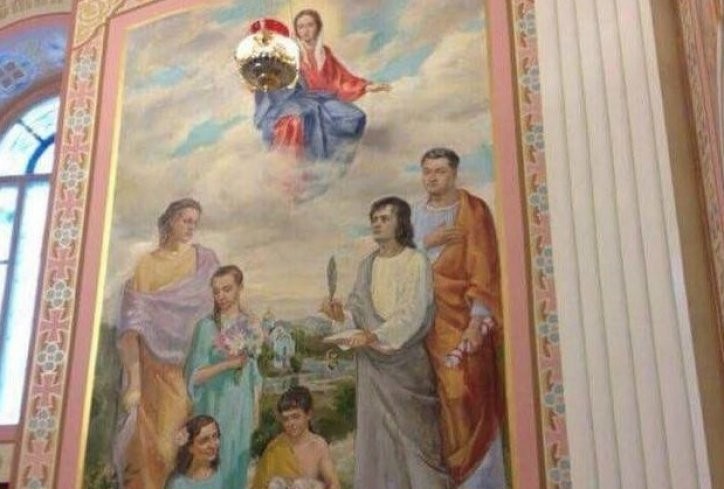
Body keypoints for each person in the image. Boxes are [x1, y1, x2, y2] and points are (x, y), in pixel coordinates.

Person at [321, 196, 450, 489]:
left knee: (417, 447)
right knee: (377, 444)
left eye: (384, 219)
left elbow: (413, 313)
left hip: (407, 370)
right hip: (371, 371)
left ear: (400, 223)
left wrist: (374, 335)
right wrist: (339, 315)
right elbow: (357, 315)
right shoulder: (367, 265)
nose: (377, 224)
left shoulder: (415, 261)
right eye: (374, 219)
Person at [411, 148, 506, 487]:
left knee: (466, 393)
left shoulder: (473, 211)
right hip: (424, 321)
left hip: (463, 321)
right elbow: (400, 263)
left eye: (439, 171)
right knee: (433, 399)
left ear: (454, 174)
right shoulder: (415, 215)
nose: (432, 178)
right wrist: (426, 242)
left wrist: (477, 321)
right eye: (427, 171)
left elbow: (485, 267)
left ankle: (477, 479)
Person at [114, 198, 220, 489]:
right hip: (153, 372)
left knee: (179, 446)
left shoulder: (205, 261)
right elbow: (131, 330)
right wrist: (134, 383)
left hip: (188, 370)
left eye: (195, 222)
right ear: (170, 220)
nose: (191, 227)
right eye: (186, 220)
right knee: (153, 450)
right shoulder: (147, 264)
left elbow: (221, 310)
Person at [254, 9, 390, 163]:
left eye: (310, 25)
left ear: (318, 27)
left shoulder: (324, 53)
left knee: (355, 116)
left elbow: (340, 78)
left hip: (322, 98)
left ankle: (337, 161)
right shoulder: (289, 53)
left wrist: (365, 87)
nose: (305, 30)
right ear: (296, 31)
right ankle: (311, 164)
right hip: (296, 100)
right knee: (302, 120)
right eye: (301, 27)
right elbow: (273, 82)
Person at [185, 265, 264, 489]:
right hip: (214, 408)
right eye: (216, 291)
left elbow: (254, 373)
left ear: (240, 288)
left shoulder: (250, 326)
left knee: (237, 465)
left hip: (242, 409)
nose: (221, 296)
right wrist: (228, 364)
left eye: (227, 289)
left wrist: (256, 406)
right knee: (215, 467)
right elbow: (195, 376)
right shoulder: (206, 327)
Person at [252, 386, 340, 489]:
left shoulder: (318, 446)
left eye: (295, 417)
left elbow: (333, 484)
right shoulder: (274, 448)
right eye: (286, 419)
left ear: (308, 415)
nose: (291, 423)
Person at [165, 415, 222, 489]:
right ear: (190, 447)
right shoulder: (177, 483)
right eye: (204, 440)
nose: (213, 445)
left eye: (215, 436)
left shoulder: (222, 472)